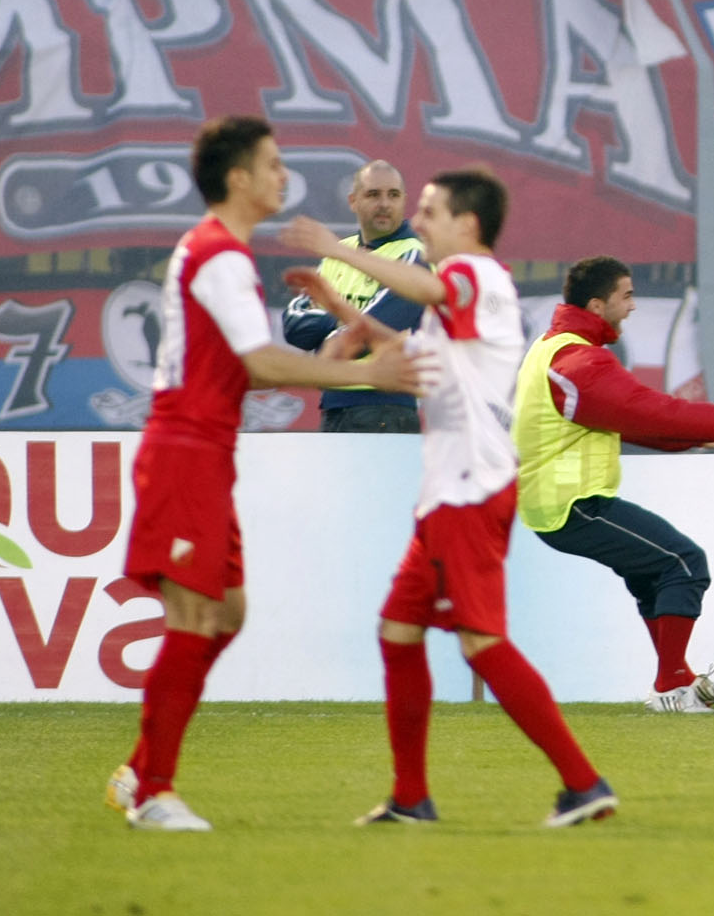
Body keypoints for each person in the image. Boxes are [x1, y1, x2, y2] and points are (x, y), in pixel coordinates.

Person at [103, 117, 421, 832]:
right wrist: (367, 372)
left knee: (228, 612)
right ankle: (153, 791)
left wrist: (333, 356)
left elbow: (250, 366)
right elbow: (258, 361)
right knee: (194, 616)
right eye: (273, 164)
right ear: (239, 177)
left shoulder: (222, 252)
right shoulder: (217, 254)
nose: (284, 176)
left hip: (207, 452)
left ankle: (140, 770)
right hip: (184, 449)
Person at [283, 173, 621, 830]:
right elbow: (409, 359)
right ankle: (411, 797)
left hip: (471, 488)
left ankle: (584, 783)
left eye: (431, 210)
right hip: (451, 490)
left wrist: (336, 249)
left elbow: (432, 290)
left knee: (483, 642)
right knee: (398, 630)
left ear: (467, 224)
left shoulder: (473, 274)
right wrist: (342, 309)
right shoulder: (463, 296)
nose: (419, 221)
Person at [515, 257, 714, 713]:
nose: (633, 306)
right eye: (626, 295)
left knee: (652, 574)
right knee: (685, 563)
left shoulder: (555, 349)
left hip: (563, 502)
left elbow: (632, 421)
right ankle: (670, 688)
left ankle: (678, 679)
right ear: (597, 304)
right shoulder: (577, 360)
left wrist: (704, 435)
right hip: (571, 504)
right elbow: (649, 411)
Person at [279, 160, 424, 435]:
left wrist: (331, 325)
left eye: (393, 195)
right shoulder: (338, 252)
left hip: (386, 408)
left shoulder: (415, 254)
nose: (384, 204)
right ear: (353, 201)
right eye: (373, 194)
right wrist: (339, 325)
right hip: (333, 406)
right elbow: (295, 327)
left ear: (404, 200)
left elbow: (375, 330)